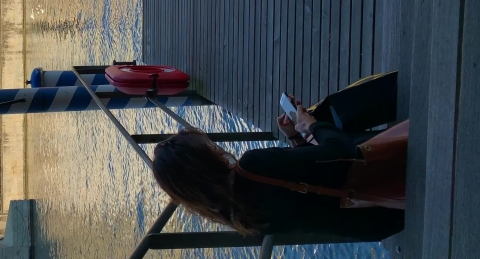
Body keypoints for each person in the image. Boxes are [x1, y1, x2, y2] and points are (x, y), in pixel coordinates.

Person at [151, 95, 404, 240]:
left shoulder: (241, 218)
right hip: (389, 180)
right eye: (206, 146)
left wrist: (294, 138)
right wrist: (310, 126)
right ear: (202, 161)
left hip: (377, 222)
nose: (214, 146)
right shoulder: (251, 166)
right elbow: (341, 153)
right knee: (333, 115)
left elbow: (308, 187)